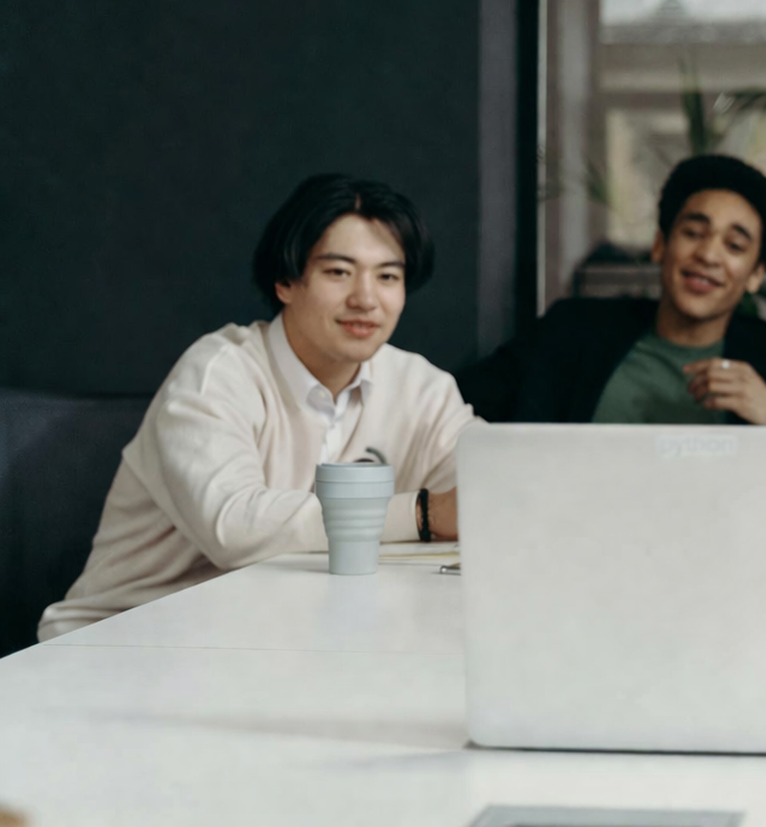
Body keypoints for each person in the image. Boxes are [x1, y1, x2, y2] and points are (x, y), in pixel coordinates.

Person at [39, 175, 475, 639]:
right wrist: (425, 513)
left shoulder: (422, 388)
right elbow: (234, 527)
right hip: (120, 641)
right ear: (286, 281)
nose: (365, 299)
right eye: (338, 272)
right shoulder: (217, 374)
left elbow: (489, 489)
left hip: (272, 644)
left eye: (387, 276)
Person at [459, 154, 766, 425]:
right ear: (660, 245)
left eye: (734, 245)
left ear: (756, 274)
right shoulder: (573, 331)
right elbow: (455, 410)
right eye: (693, 233)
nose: (708, 255)